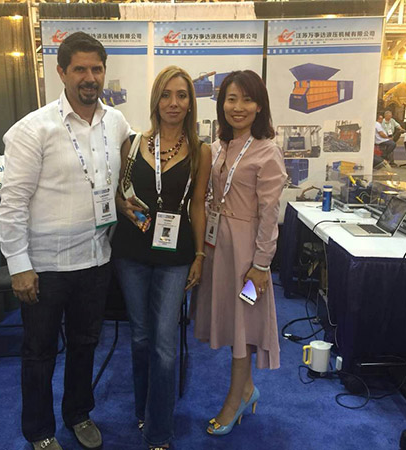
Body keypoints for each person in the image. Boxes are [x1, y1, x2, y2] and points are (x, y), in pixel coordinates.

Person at [0, 32, 131, 450]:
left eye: (97, 69)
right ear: (61, 72)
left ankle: (78, 414)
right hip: (46, 267)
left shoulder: (117, 123)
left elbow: (124, 178)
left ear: (105, 72)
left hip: (96, 259)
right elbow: (12, 204)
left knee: (86, 344)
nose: (90, 78)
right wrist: (19, 266)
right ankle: (39, 431)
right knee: (39, 353)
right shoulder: (32, 129)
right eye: (80, 69)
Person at [111, 66, 211, 450]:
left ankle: (159, 431)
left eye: (181, 95)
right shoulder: (133, 143)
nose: (174, 102)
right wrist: (121, 204)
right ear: (156, 99)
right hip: (132, 252)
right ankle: (144, 409)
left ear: (190, 102)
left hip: (176, 256)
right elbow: (119, 192)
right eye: (166, 94)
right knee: (140, 337)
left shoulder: (201, 151)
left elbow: (198, 205)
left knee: (164, 344)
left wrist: (199, 255)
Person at [192, 70, 287, 436]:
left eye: (247, 99)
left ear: (260, 105)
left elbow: (269, 215)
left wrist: (261, 265)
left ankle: (236, 399)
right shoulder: (219, 146)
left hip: (248, 257)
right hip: (220, 251)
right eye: (231, 99)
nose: (238, 107)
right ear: (221, 104)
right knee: (232, 320)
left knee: (244, 323)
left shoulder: (267, 151)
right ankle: (246, 390)